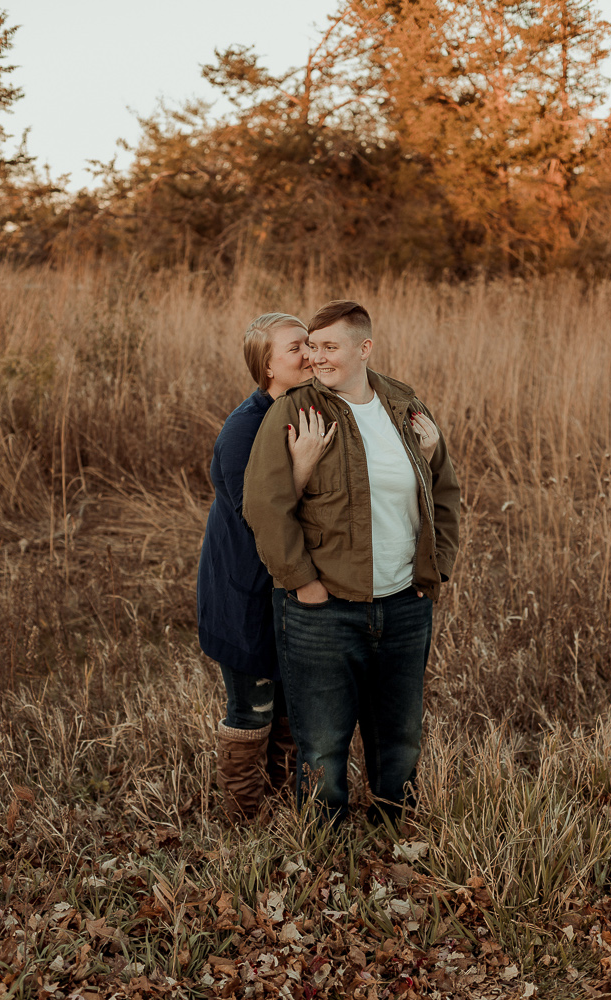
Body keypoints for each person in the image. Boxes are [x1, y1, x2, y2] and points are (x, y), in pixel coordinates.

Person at [243, 300, 459, 825]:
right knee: (322, 748)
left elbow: (444, 489)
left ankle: (394, 834)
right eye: (311, 347)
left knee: (400, 740)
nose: (316, 358)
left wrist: (437, 569)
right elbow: (263, 505)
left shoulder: (405, 406)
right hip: (324, 611)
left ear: (364, 349)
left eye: (329, 347)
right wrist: (305, 585)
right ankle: (322, 855)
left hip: (405, 605)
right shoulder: (294, 412)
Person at [197, 313, 335, 823]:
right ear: (268, 366)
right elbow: (257, 517)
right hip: (244, 589)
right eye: (296, 347)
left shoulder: (308, 409)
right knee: (251, 709)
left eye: (311, 343)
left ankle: (282, 806)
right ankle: (240, 819)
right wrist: (301, 467)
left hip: (289, 585)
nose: (310, 354)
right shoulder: (244, 429)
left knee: (287, 708)